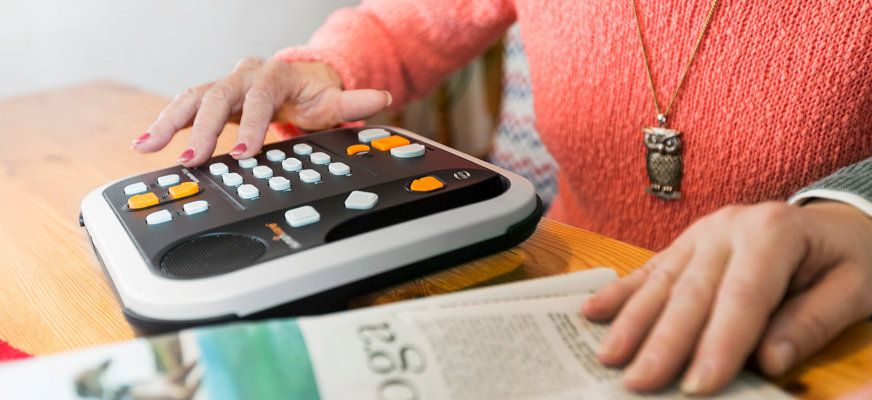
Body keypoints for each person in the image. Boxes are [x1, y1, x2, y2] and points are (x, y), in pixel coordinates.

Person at [131, 0, 872, 395]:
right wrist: (325, 66)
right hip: (566, 295)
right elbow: (402, 20)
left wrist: (851, 211)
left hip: (814, 336)